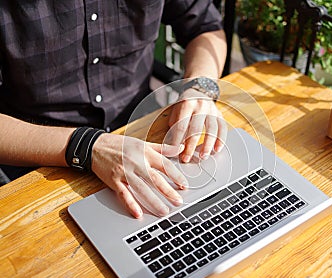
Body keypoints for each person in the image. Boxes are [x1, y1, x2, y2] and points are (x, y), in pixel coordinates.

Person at [0, 1, 228, 218]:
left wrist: (200, 88)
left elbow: (206, 28)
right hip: (39, 160)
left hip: (142, 132)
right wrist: (88, 146)